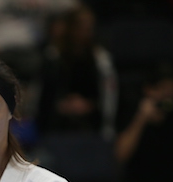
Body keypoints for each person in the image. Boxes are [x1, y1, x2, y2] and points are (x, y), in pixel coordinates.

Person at [36, 3, 118, 139]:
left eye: (89, 28)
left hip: (92, 121)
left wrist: (88, 105)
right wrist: (62, 105)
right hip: (55, 122)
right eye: (81, 27)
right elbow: (44, 96)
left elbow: (107, 98)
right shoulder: (53, 57)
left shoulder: (100, 59)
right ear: (71, 28)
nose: (85, 32)